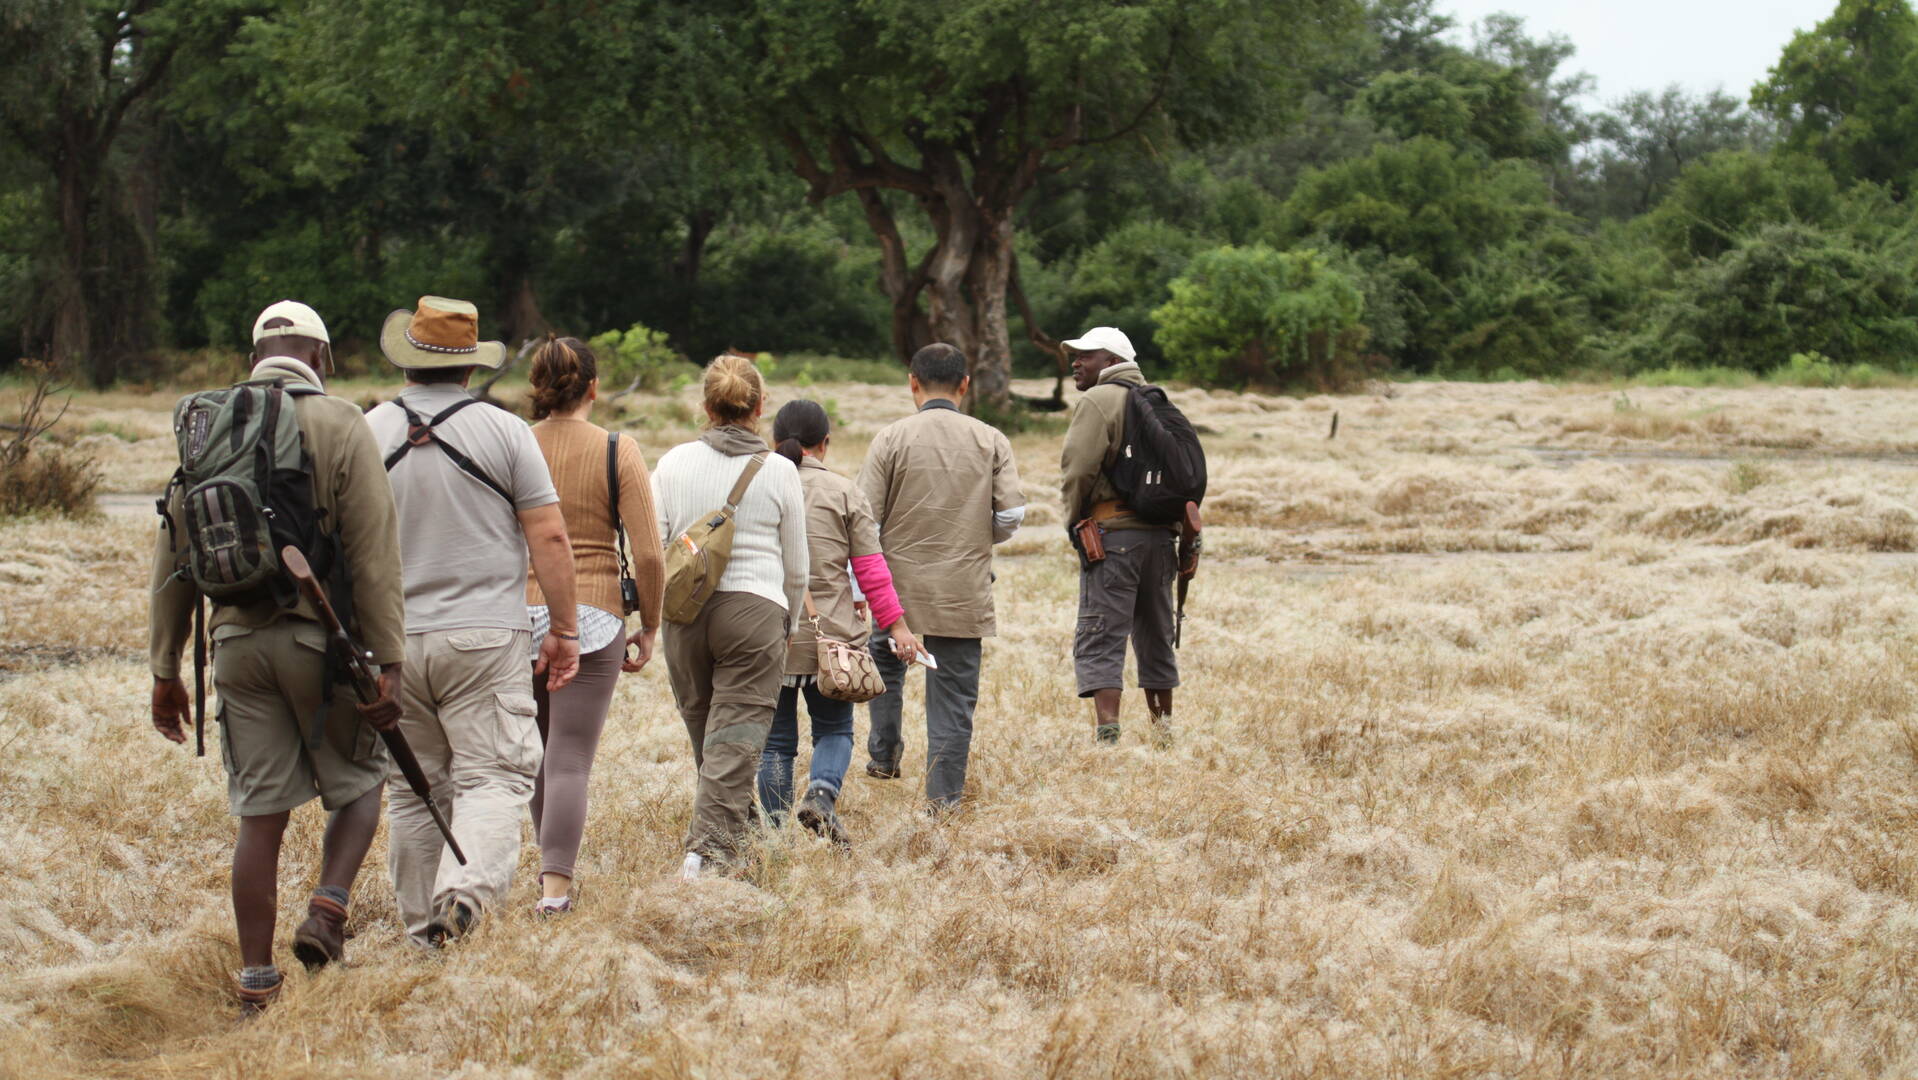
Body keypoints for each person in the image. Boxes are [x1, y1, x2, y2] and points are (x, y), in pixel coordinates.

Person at [149, 301, 406, 1010]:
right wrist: (389, 661)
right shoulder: (340, 422)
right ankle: (327, 909)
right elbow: (373, 554)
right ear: (321, 358)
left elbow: (173, 553)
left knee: (259, 816)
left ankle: (256, 981)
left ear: (254, 354)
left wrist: (164, 670)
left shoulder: (206, 426)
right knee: (359, 782)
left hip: (234, 646)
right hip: (319, 643)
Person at [366, 296, 581, 945]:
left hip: (395, 639)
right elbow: (548, 537)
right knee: (494, 775)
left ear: (407, 361)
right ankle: (462, 895)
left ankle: (417, 932)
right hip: (487, 636)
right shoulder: (506, 431)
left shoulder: (368, 429)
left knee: (412, 790)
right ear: (469, 368)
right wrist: (565, 631)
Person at [651, 353, 807, 879]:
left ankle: (734, 840)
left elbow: (654, 545)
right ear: (760, 407)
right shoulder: (781, 470)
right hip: (756, 607)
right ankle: (706, 854)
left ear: (706, 406)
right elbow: (797, 563)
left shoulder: (671, 463)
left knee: (707, 729)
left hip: (685, 613)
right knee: (736, 736)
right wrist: (787, 619)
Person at [523, 336, 664, 915]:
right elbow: (650, 554)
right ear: (594, 388)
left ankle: (543, 860)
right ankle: (555, 888)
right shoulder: (616, 448)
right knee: (571, 757)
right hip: (596, 612)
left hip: (521, 611)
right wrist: (650, 624)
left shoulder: (518, 444)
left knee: (536, 752)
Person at [857, 343, 1025, 810]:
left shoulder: (890, 438)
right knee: (953, 695)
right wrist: (978, 534)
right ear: (965, 385)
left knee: (884, 662)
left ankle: (884, 754)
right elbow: (1011, 514)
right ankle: (944, 797)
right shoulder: (991, 439)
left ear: (912, 381)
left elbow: (865, 520)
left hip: (896, 590)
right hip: (962, 588)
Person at [758, 399, 920, 845]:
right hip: (833, 643)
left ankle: (773, 834)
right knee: (834, 728)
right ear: (825, 444)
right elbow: (871, 571)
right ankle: (822, 794)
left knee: (775, 742)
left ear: (775, 441)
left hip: (768, 633)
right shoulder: (845, 492)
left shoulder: (754, 486)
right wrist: (898, 626)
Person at [1059, 326, 1180, 745]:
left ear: (1111, 361)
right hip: (1163, 540)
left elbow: (1078, 470)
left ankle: (1107, 737)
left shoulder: (1098, 400)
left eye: (1085, 355)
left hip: (1113, 537)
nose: (1076, 361)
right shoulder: (1160, 402)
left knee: (1103, 632)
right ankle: (1163, 733)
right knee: (1156, 635)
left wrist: (1073, 522)